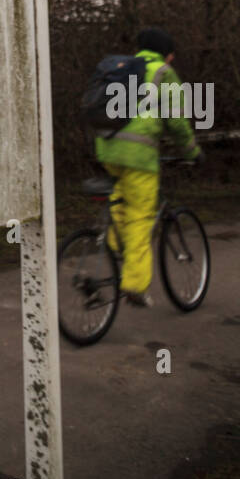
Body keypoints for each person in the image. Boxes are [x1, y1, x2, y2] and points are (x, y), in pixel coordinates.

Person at [95, 27, 203, 307]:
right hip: (139, 155)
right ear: (166, 54)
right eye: (172, 55)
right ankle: (134, 285)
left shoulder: (124, 68)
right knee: (141, 217)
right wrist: (192, 152)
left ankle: (112, 246)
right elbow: (177, 121)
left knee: (122, 200)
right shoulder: (163, 72)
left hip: (107, 147)